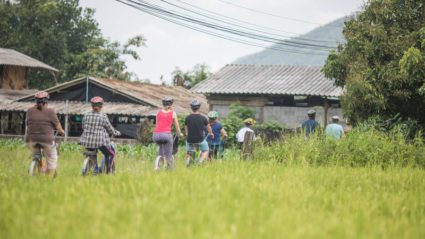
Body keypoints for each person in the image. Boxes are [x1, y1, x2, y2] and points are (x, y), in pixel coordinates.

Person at [25, 91, 65, 177]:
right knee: (52, 157)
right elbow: (59, 128)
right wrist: (62, 132)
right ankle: (50, 174)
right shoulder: (50, 111)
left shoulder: (29, 110)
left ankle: (37, 163)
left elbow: (28, 123)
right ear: (46, 101)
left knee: (36, 152)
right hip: (46, 140)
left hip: (30, 140)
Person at [79, 96, 121, 173]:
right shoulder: (103, 116)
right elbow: (110, 129)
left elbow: (83, 126)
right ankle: (108, 171)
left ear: (92, 106)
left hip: (86, 141)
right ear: (101, 106)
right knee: (111, 154)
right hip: (99, 143)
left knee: (92, 152)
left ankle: (94, 169)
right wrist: (116, 132)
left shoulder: (86, 115)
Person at [152, 97, 183, 171]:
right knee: (168, 154)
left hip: (156, 135)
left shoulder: (158, 112)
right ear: (171, 104)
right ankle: (170, 171)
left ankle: (158, 166)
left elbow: (157, 125)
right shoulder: (173, 113)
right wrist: (180, 134)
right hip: (166, 135)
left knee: (161, 151)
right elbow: (177, 126)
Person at [185, 100, 213, 164]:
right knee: (206, 150)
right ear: (199, 107)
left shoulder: (187, 118)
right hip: (200, 139)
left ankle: (187, 161)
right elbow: (208, 127)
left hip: (190, 139)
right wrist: (211, 133)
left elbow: (186, 129)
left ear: (191, 108)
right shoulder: (203, 118)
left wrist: (187, 134)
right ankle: (200, 161)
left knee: (188, 151)